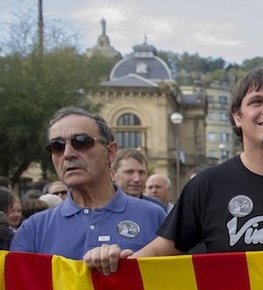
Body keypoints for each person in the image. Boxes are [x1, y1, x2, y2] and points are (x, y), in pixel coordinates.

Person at [84, 67, 263, 274]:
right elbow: (161, 250)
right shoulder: (208, 185)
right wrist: (115, 263)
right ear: (237, 117)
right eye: (256, 102)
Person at [12, 107, 166, 260]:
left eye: (81, 142)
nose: (68, 154)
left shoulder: (153, 216)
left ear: (111, 152)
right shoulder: (33, 229)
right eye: (57, 146)